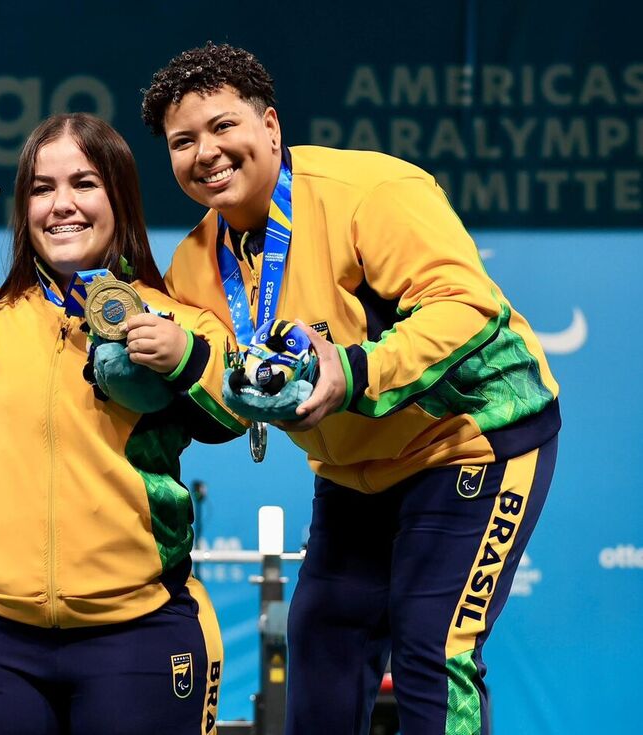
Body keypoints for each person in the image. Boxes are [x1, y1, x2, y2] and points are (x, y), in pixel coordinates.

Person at [141, 43, 560, 735]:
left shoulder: (371, 192)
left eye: (222, 127)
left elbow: (466, 306)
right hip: (354, 469)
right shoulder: (193, 262)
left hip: (475, 437)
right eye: (183, 142)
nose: (205, 153)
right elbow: (223, 390)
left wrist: (356, 369)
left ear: (270, 126)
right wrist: (187, 360)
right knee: (321, 648)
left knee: (433, 646)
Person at [0, 112, 246, 735]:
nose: (62, 205)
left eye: (84, 183)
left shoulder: (176, 322)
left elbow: (230, 415)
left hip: (138, 632)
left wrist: (182, 358)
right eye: (42, 188)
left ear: (120, 198)